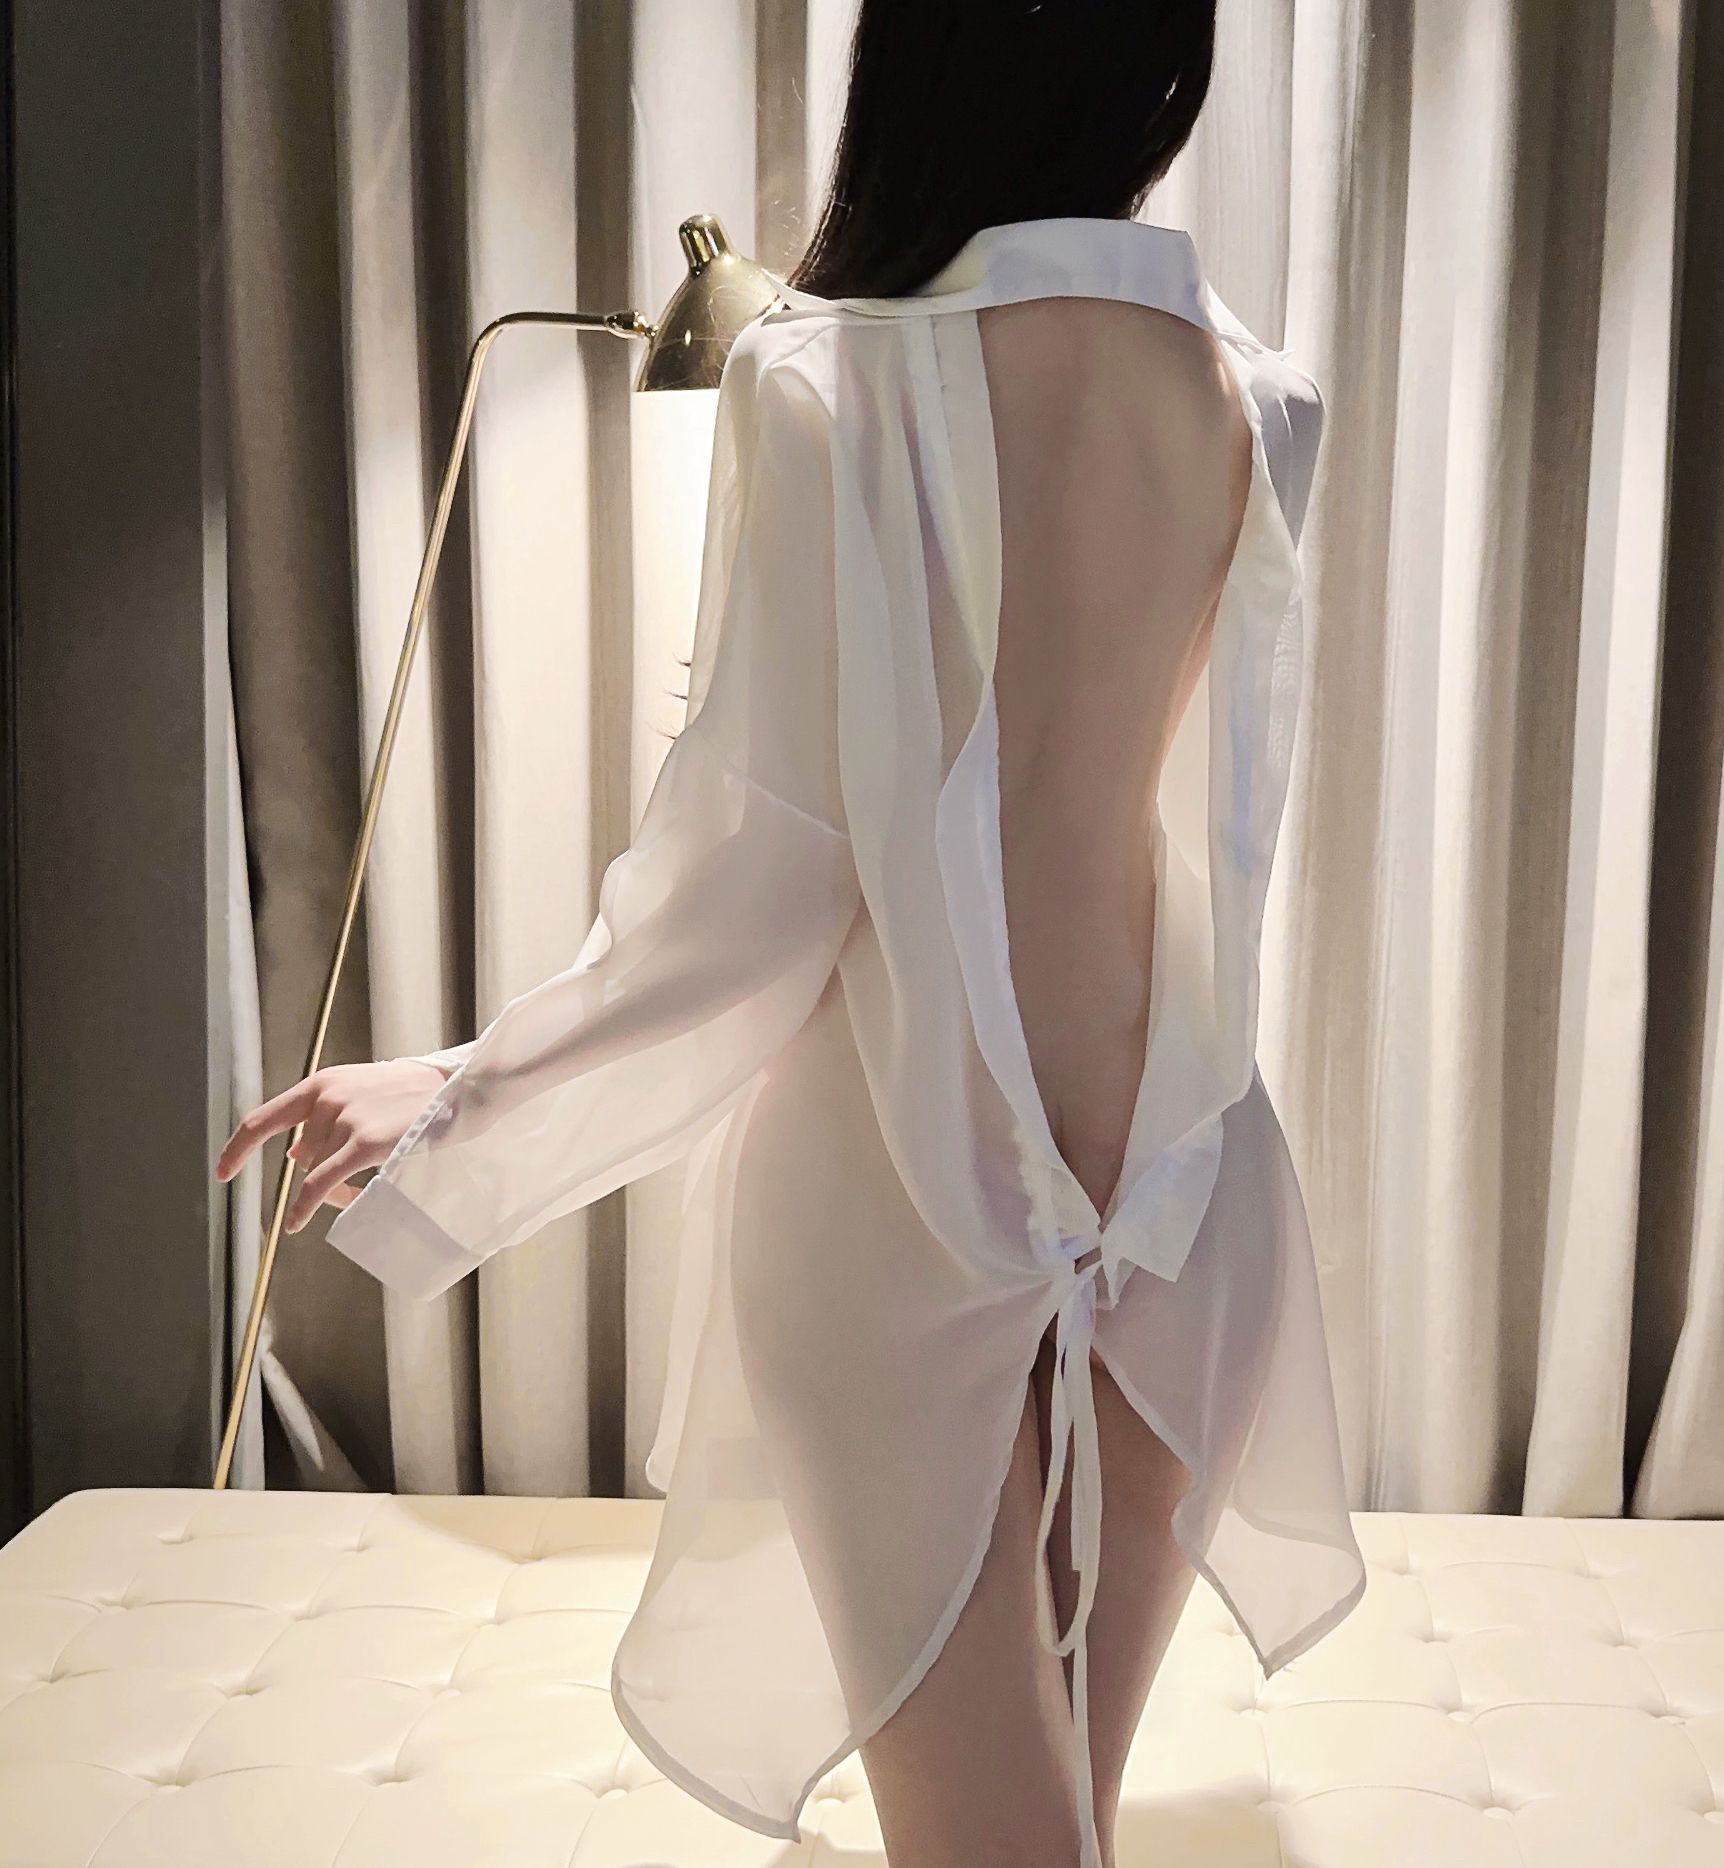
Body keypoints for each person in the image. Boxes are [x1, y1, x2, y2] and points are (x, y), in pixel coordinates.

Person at [217, 3, 1366, 1862]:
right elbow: (1190, 824)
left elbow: (766, 874)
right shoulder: (1262, 399)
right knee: (1049, 1825)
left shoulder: (826, 376)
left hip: (902, 1199)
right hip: (1185, 1195)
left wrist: (466, 1081)